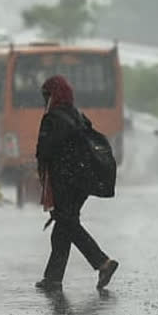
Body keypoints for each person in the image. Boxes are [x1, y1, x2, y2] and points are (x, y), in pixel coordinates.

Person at [34, 75, 119, 291]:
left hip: (64, 181)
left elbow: (44, 151)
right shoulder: (77, 115)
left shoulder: (52, 119)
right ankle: (53, 279)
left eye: (46, 95)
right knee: (63, 226)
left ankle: (103, 262)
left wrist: (41, 171)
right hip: (83, 181)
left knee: (68, 223)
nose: (44, 100)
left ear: (53, 96)